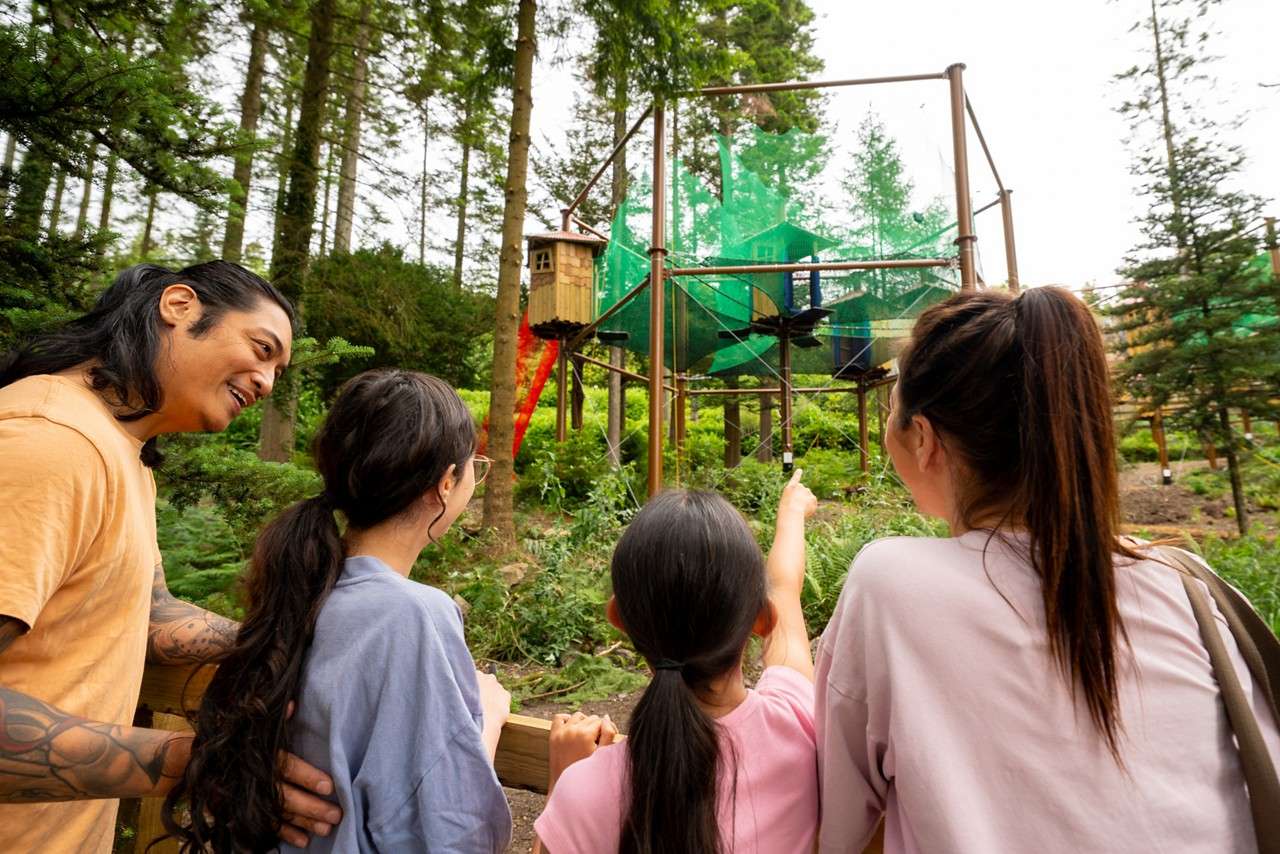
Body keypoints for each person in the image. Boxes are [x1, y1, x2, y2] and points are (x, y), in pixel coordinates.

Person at [815, 287, 1280, 853]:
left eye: (892, 413)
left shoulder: (890, 584)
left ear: (927, 440)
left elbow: (835, 828)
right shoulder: (1192, 590)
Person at [0, 262, 340, 852]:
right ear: (179, 306)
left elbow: (151, 617)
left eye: (277, 372)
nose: (266, 382)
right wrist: (203, 762)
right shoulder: (52, 440)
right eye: (262, 349)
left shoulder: (119, 447)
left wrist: (297, 637)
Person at [166, 368, 513, 853]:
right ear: (447, 481)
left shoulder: (302, 588)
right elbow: (450, 833)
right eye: (476, 464)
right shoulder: (412, 615)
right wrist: (488, 723)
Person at [533, 475, 820, 854]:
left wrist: (563, 777)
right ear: (762, 620)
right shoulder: (796, 722)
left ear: (618, 616)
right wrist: (792, 510)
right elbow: (785, 588)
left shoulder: (587, 790)